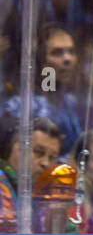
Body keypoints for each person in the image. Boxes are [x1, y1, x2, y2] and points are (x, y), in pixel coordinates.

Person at [3, 23, 83, 153]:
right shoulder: (18, 105)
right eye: (57, 53)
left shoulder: (68, 101)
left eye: (71, 51)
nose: (67, 59)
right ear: (41, 60)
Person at [0, 113, 62, 230]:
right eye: (38, 152)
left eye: (52, 158)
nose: (46, 163)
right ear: (14, 148)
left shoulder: (47, 194)